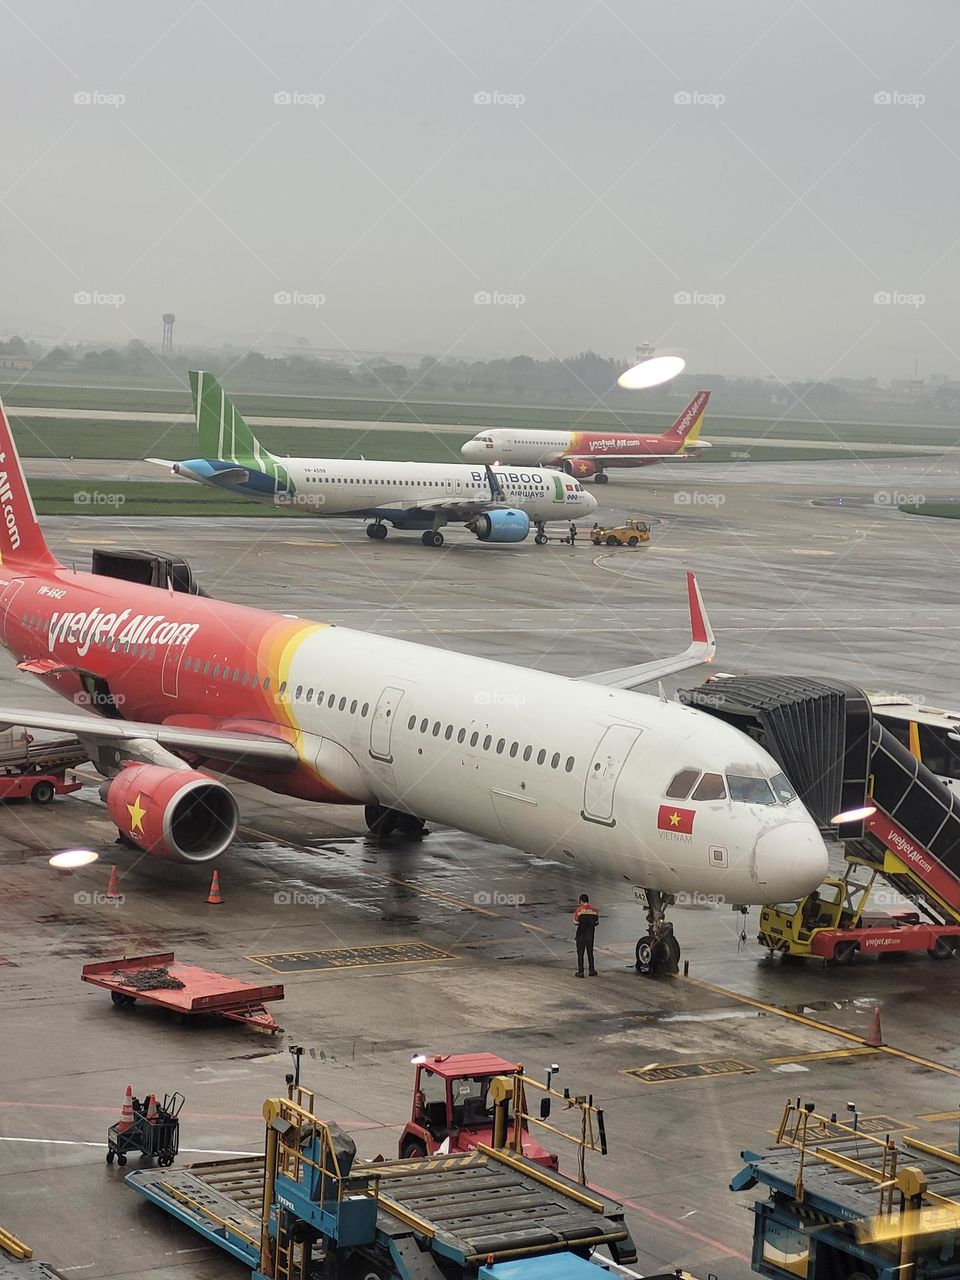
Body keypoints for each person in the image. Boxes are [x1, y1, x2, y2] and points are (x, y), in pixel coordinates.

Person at [573, 893, 599, 976]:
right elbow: (596, 923)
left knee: (580, 954)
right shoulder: (594, 911)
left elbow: (575, 922)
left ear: (581, 901)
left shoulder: (579, 911)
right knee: (590, 953)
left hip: (581, 935)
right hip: (590, 935)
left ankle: (581, 971)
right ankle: (592, 970)